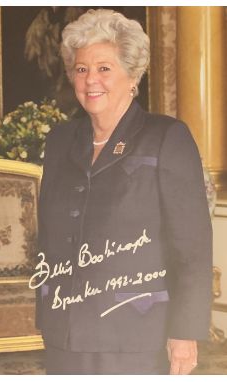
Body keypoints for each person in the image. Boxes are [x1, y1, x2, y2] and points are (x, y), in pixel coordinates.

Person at [34, 9, 212, 375]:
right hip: (65, 330)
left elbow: (192, 247)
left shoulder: (166, 137)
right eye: (81, 69)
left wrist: (184, 333)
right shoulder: (60, 140)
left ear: (132, 75)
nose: (90, 80)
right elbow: (49, 236)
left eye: (104, 68)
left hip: (137, 333)